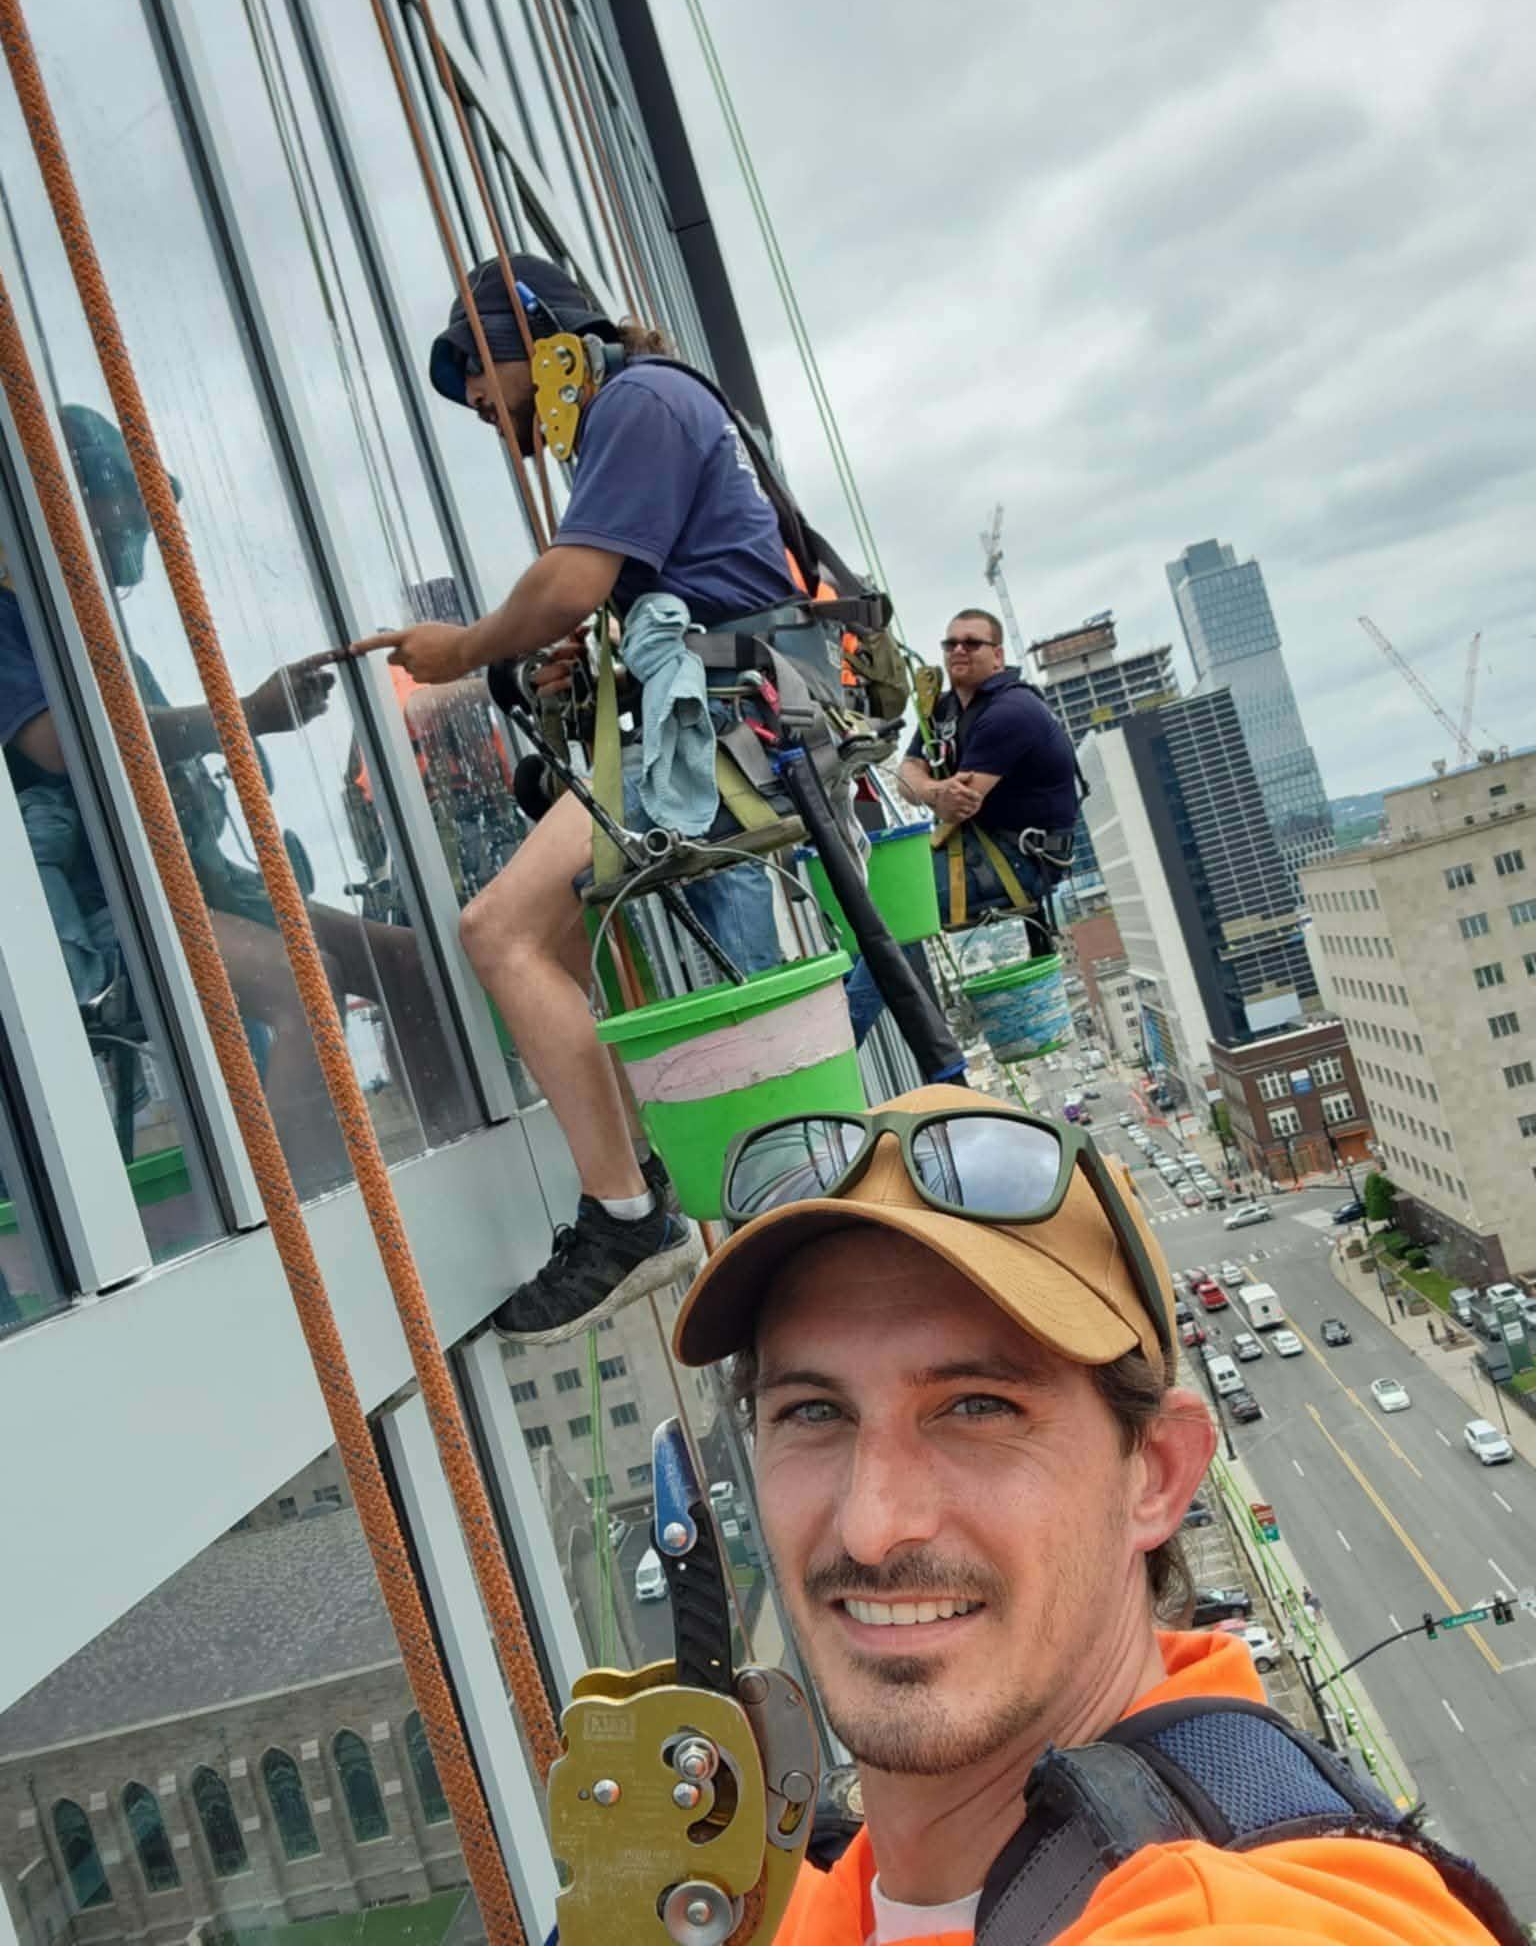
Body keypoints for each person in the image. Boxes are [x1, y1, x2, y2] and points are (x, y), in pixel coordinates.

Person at [668, 1084, 1516, 1946]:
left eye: (977, 1408)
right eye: (814, 1412)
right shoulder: (787, 1910)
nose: (871, 1526)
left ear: (1155, 1474)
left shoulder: (1247, 1921)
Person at [357, 255, 803, 1343]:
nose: (479, 404)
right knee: (538, 947)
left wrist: (458, 647)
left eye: (478, 375)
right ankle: (634, 1182)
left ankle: (626, 1211)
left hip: (714, 719)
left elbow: (570, 581)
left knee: (497, 929)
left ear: (542, 338)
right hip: (710, 706)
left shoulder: (641, 400)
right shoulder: (645, 405)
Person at [1, 406, 467, 1195]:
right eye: (124, 502)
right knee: (302, 981)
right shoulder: (14, 616)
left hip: (191, 878)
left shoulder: (85, 627)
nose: (142, 523)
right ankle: (324, 1224)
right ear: (67, 505)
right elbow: (59, 743)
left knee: (407, 962)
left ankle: (453, 1171)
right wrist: (245, 717)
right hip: (101, 911)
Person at [846, 609, 1078, 1045]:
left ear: (997, 655)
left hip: (1019, 860)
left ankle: (845, 1031)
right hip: (978, 848)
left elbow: (956, 805)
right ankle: (843, 1006)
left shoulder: (1011, 712)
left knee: (898, 909)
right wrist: (931, 789)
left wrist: (928, 790)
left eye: (971, 643)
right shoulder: (946, 708)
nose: (958, 651)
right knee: (870, 901)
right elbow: (909, 774)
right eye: (950, 643)